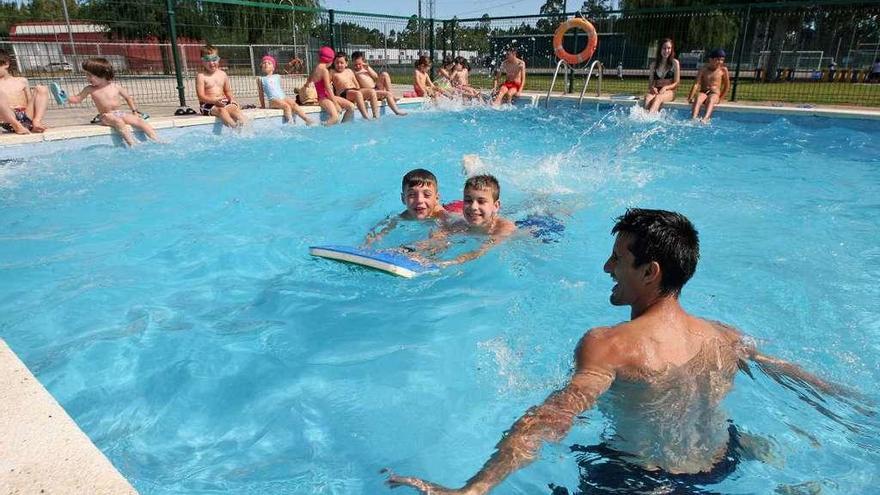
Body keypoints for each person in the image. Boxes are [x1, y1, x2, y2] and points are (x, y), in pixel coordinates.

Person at [387, 208, 857, 495]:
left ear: (650, 272)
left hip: (640, 482)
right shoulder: (725, 336)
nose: (607, 266)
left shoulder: (608, 344)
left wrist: (475, 488)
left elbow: (556, 414)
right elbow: (796, 376)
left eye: (618, 259)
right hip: (722, 462)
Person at [410, 174, 517, 267]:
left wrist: (452, 262)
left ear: (496, 205)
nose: (473, 207)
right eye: (468, 200)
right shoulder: (460, 224)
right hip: (455, 210)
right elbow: (438, 237)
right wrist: (414, 251)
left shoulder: (503, 228)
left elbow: (482, 250)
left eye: (481, 201)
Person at [66, 57, 159, 146]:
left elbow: (128, 98)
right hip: (106, 115)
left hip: (119, 113)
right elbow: (77, 99)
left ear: (101, 74)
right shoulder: (90, 89)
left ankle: (157, 140)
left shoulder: (115, 86)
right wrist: (66, 98)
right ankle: (132, 144)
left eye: (90, 75)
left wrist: (134, 111)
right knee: (118, 121)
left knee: (140, 121)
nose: (87, 78)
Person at [365, 168, 454, 246]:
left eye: (426, 195)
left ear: (436, 198)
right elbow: (385, 226)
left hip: (452, 207)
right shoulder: (405, 216)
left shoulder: (442, 215)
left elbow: (447, 235)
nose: (419, 200)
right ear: (403, 199)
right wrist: (374, 237)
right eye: (412, 195)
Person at [196, 44, 247, 128]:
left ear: (218, 59)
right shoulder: (201, 76)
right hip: (207, 104)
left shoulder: (223, 74)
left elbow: (228, 91)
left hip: (222, 102)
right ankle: (234, 129)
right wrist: (214, 101)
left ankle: (246, 129)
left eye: (214, 59)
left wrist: (232, 100)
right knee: (221, 110)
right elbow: (201, 97)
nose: (211, 63)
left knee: (235, 110)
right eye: (207, 60)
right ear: (202, 61)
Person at [0, 49, 49, 134]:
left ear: (6, 64)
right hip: (8, 120)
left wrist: (33, 115)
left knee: (41, 88)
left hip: (26, 117)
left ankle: (36, 122)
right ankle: (17, 126)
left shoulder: (22, 81)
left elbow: (30, 101)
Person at [256, 55, 315, 125]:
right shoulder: (260, 79)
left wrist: (293, 62)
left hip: (283, 97)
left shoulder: (277, 76)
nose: (266, 64)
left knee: (294, 104)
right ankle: (291, 123)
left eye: (269, 63)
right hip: (273, 100)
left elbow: (286, 68)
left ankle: (306, 119)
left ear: (273, 68)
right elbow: (261, 94)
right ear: (261, 66)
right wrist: (263, 106)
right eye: (264, 63)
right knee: (286, 106)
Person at [308, 46, 355, 125]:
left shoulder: (316, 68)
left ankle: (342, 127)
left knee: (351, 107)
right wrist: (336, 104)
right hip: (323, 98)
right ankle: (321, 129)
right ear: (330, 60)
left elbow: (309, 82)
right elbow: (328, 88)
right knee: (335, 118)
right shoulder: (324, 71)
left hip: (327, 96)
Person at [351, 51, 407, 117]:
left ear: (363, 61)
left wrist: (368, 69)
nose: (358, 66)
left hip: (376, 88)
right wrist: (358, 73)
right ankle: (397, 111)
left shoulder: (366, 68)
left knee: (384, 74)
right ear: (352, 62)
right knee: (387, 94)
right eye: (355, 65)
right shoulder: (353, 72)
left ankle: (391, 95)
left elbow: (376, 77)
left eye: (359, 64)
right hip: (369, 92)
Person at [688, 48, 730, 123]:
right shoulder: (703, 69)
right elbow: (696, 84)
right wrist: (690, 97)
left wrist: (721, 98)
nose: (720, 62)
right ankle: (693, 118)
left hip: (715, 93)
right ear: (710, 59)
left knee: (711, 100)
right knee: (698, 98)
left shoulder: (723, 70)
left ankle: (705, 118)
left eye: (722, 60)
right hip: (703, 92)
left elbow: (727, 86)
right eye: (718, 59)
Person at [330, 52, 374, 120]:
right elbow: (327, 84)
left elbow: (356, 84)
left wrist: (362, 95)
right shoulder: (333, 72)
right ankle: (366, 117)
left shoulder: (349, 71)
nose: (339, 65)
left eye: (341, 63)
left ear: (346, 63)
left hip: (354, 91)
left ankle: (375, 116)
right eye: (337, 63)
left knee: (371, 92)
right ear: (334, 63)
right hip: (343, 93)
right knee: (358, 94)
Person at [643, 38, 680, 113]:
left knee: (658, 98)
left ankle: (649, 117)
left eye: (669, 48)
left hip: (670, 91)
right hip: (657, 90)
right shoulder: (653, 65)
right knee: (647, 98)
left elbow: (677, 83)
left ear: (671, 49)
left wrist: (665, 88)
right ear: (660, 49)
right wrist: (652, 88)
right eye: (664, 48)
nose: (666, 51)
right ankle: (644, 119)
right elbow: (650, 84)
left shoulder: (675, 63)